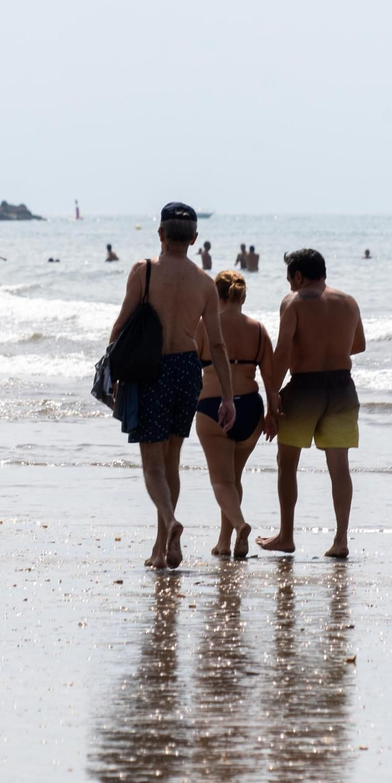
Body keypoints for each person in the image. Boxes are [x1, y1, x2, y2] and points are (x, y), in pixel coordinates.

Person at [108, 203, 234, 570]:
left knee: (152, 466)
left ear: (161, 235)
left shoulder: (143, 271)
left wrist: (111, 374)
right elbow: (218, 343)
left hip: (150, 371)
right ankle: (164, 549)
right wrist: (227, 396)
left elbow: (121, 326)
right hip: (186, 370)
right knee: (172, 459)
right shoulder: (205, 284)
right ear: (194, 239)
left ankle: (171, 524)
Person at [258, 248, 364, 559]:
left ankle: (287, 536)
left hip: (305, 389)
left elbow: (283, 352)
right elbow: (358, 345)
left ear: (299, 276)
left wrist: (272, 397)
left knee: (287, 463)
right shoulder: (349, 301)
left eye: (290, 278)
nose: (289, 284)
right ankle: (341, 539)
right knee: (339, 468)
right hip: (343, 388)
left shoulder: (293, 302)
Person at [195, 270, 273, 559]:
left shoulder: (203, 327)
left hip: (214, 407)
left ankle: (240, 525)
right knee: (234, 479)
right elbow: (271, 378)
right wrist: (273, 414)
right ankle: (224, 542)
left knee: (221, 481)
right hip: (252, 409)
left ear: (216, 295)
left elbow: (189, 369)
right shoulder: (258, 329)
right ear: (242, 296)